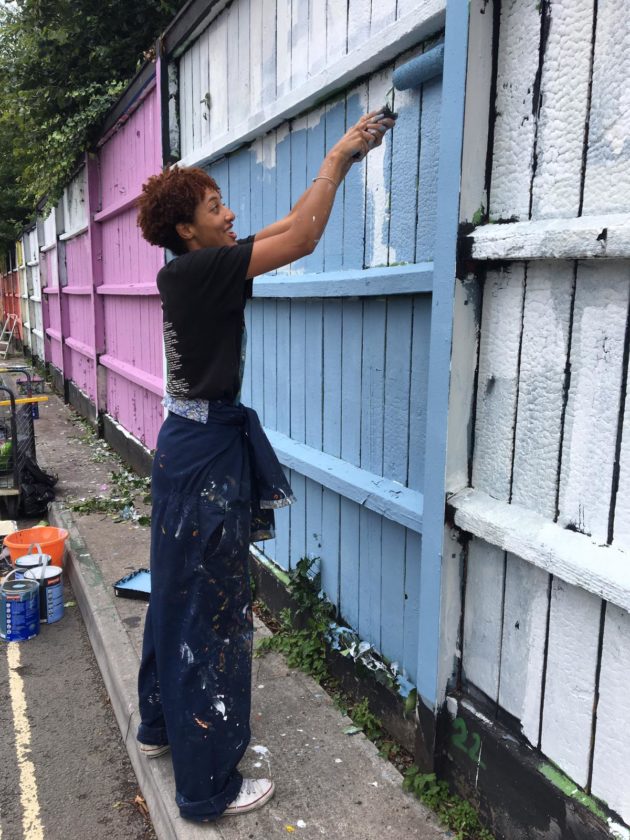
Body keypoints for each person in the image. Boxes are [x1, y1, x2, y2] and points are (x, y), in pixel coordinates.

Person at [134, 108, 396, 822]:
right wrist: (339, 157)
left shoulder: (192, 271)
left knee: (176, 594)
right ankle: (208, 788)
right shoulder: (200, 273)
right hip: (203, 457)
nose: (230, 214)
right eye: (216, 207)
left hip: (188, 448)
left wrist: (331, 165)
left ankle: (160, 726)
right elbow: (304, 235)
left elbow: (283, 229)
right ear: (187, 228)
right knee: (211, 614)